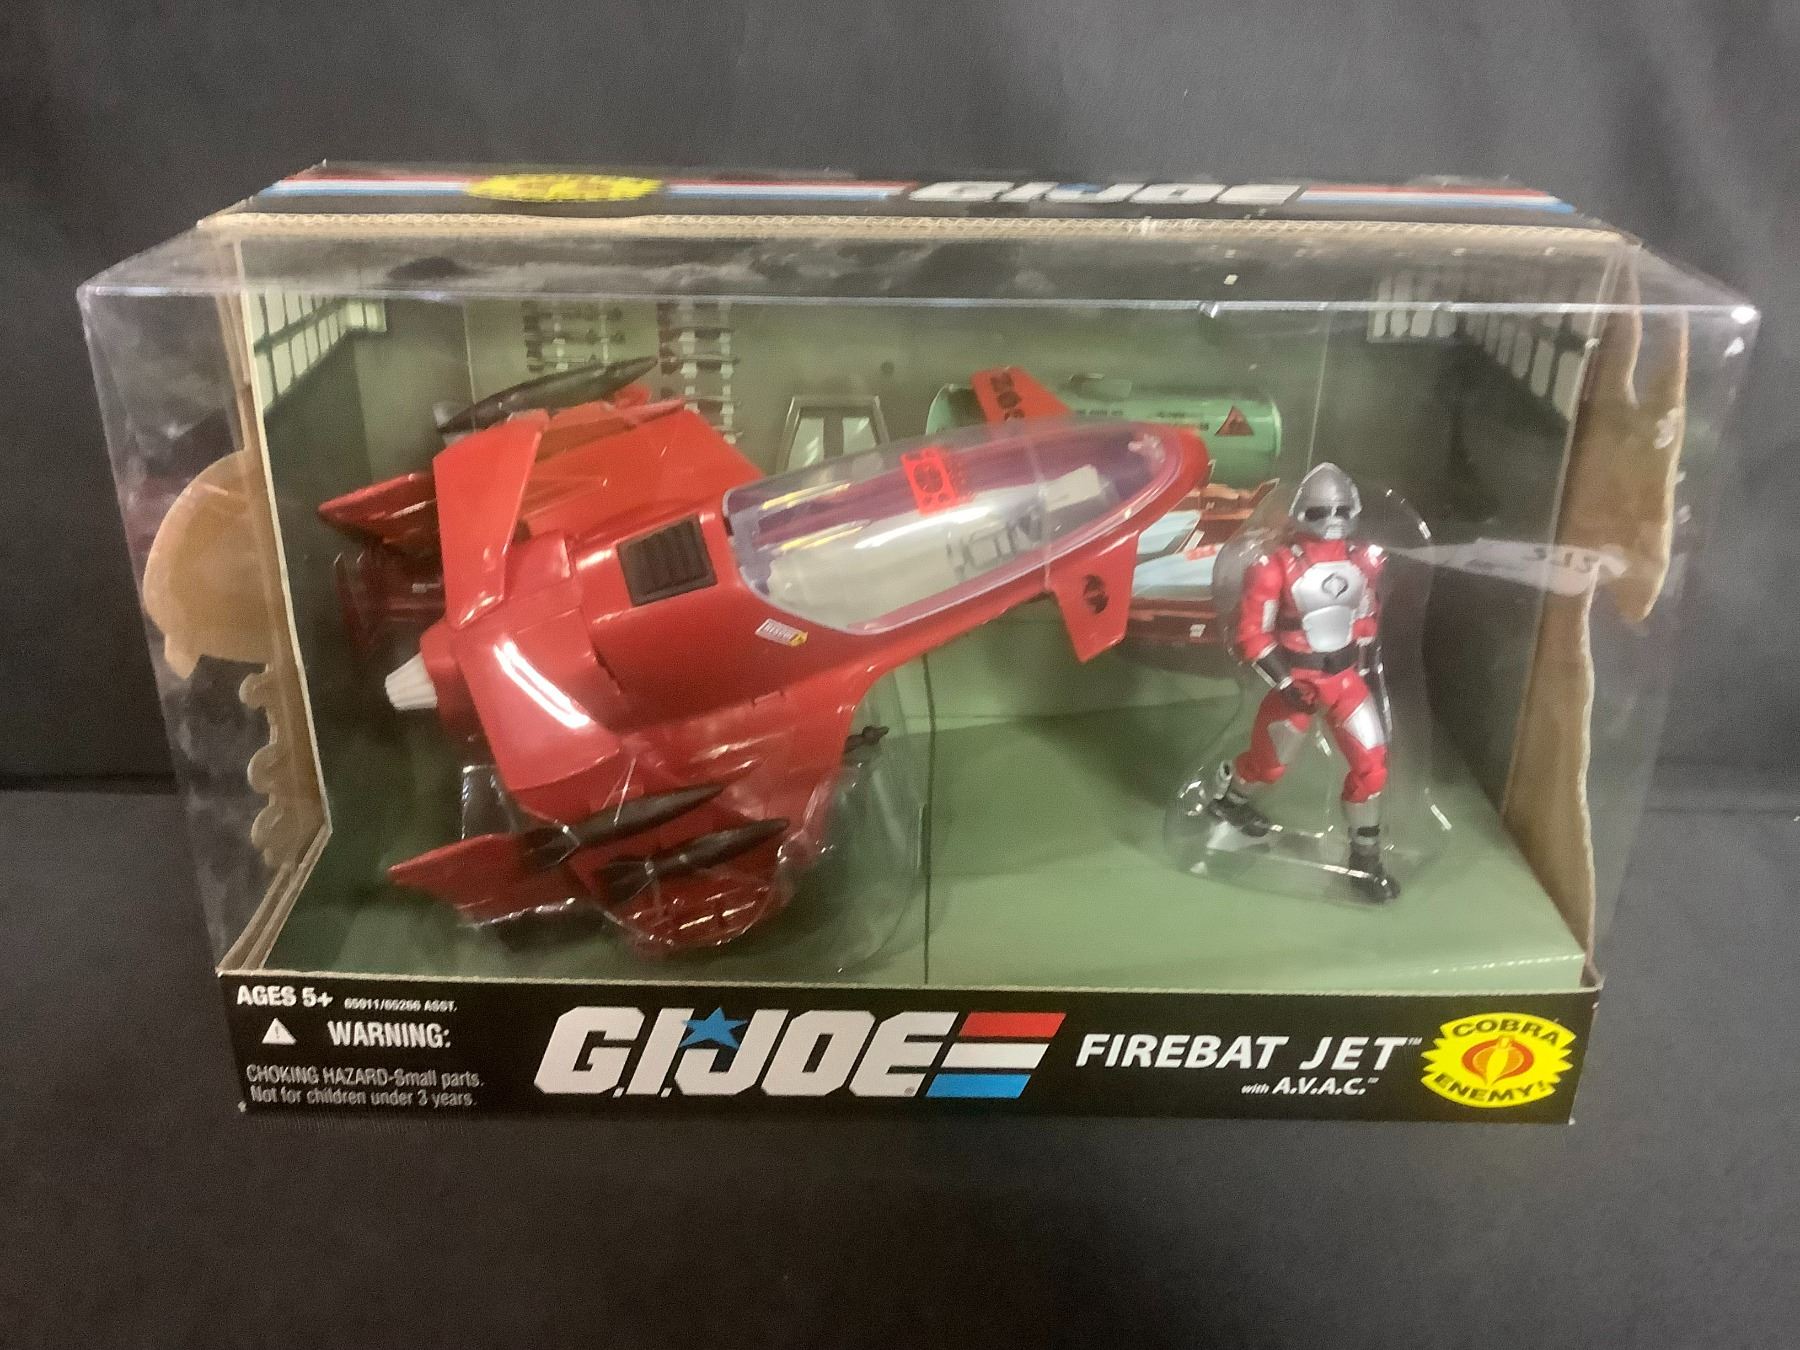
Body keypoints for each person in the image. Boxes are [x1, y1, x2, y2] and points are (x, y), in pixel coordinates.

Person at [1204, 462, 1399, 901]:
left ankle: (1365, 859)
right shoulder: (1274, 566)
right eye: (1319, 511)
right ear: (1299, 513)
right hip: (1298, 681)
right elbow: (1252, 636)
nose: (1332, 520)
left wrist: (1364, 666)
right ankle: (1229, 801)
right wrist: (1284, 682)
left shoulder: (1362, 562)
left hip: (1346, 681)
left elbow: (1365, 619)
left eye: (1341, 510)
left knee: (1372, 767)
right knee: (1269, 766)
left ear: (1354, 511)